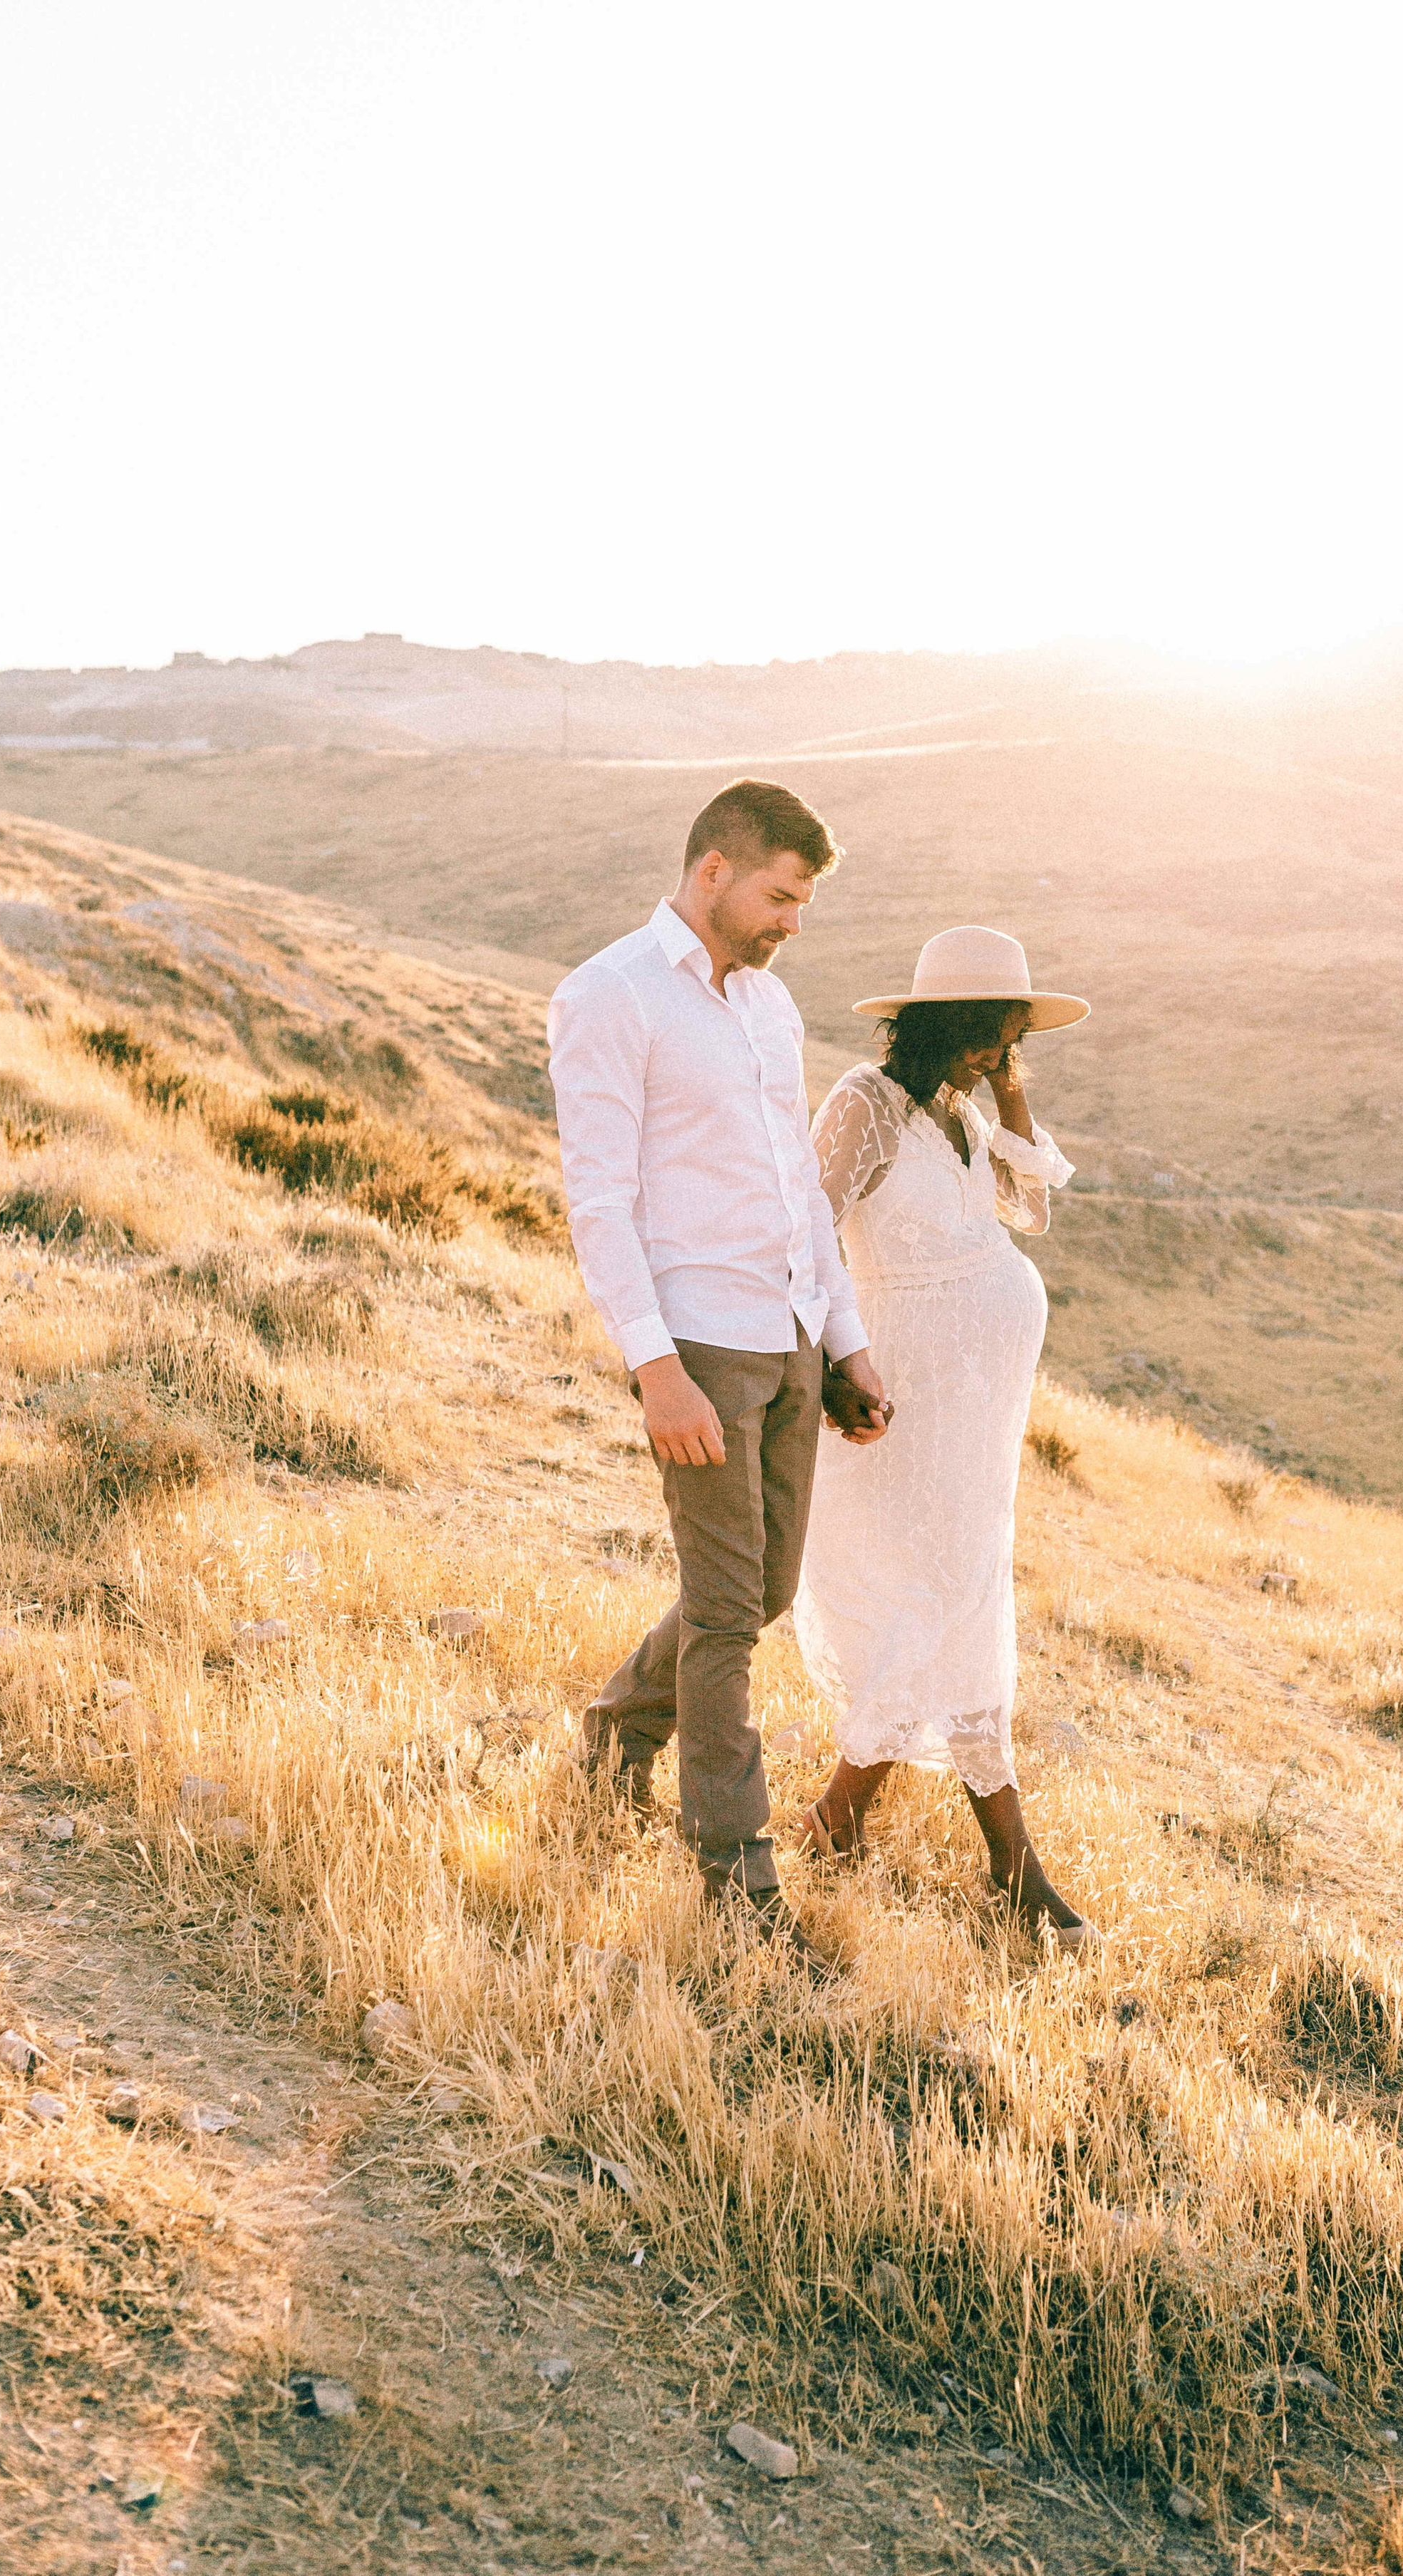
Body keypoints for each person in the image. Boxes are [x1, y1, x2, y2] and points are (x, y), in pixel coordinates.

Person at [547, 779, 890, 1965]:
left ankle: (608, 1732)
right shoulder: (609, 995)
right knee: (732, 1617)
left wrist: (841, 1342)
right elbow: (599, 1199)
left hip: (789, 1335)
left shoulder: (772, 1010)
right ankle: (737, 1886)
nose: (794, 921)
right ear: (713, 873)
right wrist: (657, 1370)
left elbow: (800, 1190)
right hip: (697, 1346)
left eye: (803, 902)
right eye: (782, 896)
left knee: (764, 1592)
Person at [790, 925, 1098, 1950]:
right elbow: (805, 1235)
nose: (996, 1055)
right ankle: (958, 1854)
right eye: (986, 1039)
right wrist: (836, 1362)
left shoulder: (966, 1113)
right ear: (942, 1024)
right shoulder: (865, 1107)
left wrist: (1009, 1096)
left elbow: (1032, 1210)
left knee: (965, 1598)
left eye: (1010, 1042)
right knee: (931, 1602)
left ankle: (950, 1852)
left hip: (976, 1414)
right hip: (901, 1397)